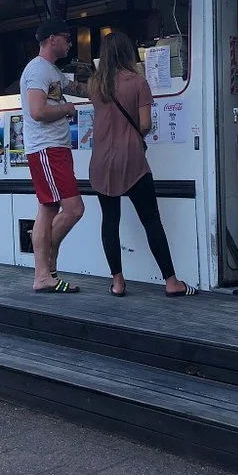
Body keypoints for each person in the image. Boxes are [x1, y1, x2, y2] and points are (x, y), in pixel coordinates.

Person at [88, 31, 197, 297]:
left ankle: (117, 283)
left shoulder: (95, 85)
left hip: (101, 162)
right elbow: (146, 124)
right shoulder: (138, 82)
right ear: (128, 52)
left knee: (109, 221)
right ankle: (171, 282)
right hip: (132, 161)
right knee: (151, 220)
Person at [20, 18, 89, 293]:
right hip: (47, 148)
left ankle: (45, 273)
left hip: (53, 149)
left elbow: (76, 89)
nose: (70, 43)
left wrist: (108, 86)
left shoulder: (51, 71)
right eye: (67, 38)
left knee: (48, 209)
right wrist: (66, 109)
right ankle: (44, 268)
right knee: (74, 209)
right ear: (52, 39)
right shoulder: (38, 70)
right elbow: (37, 111)